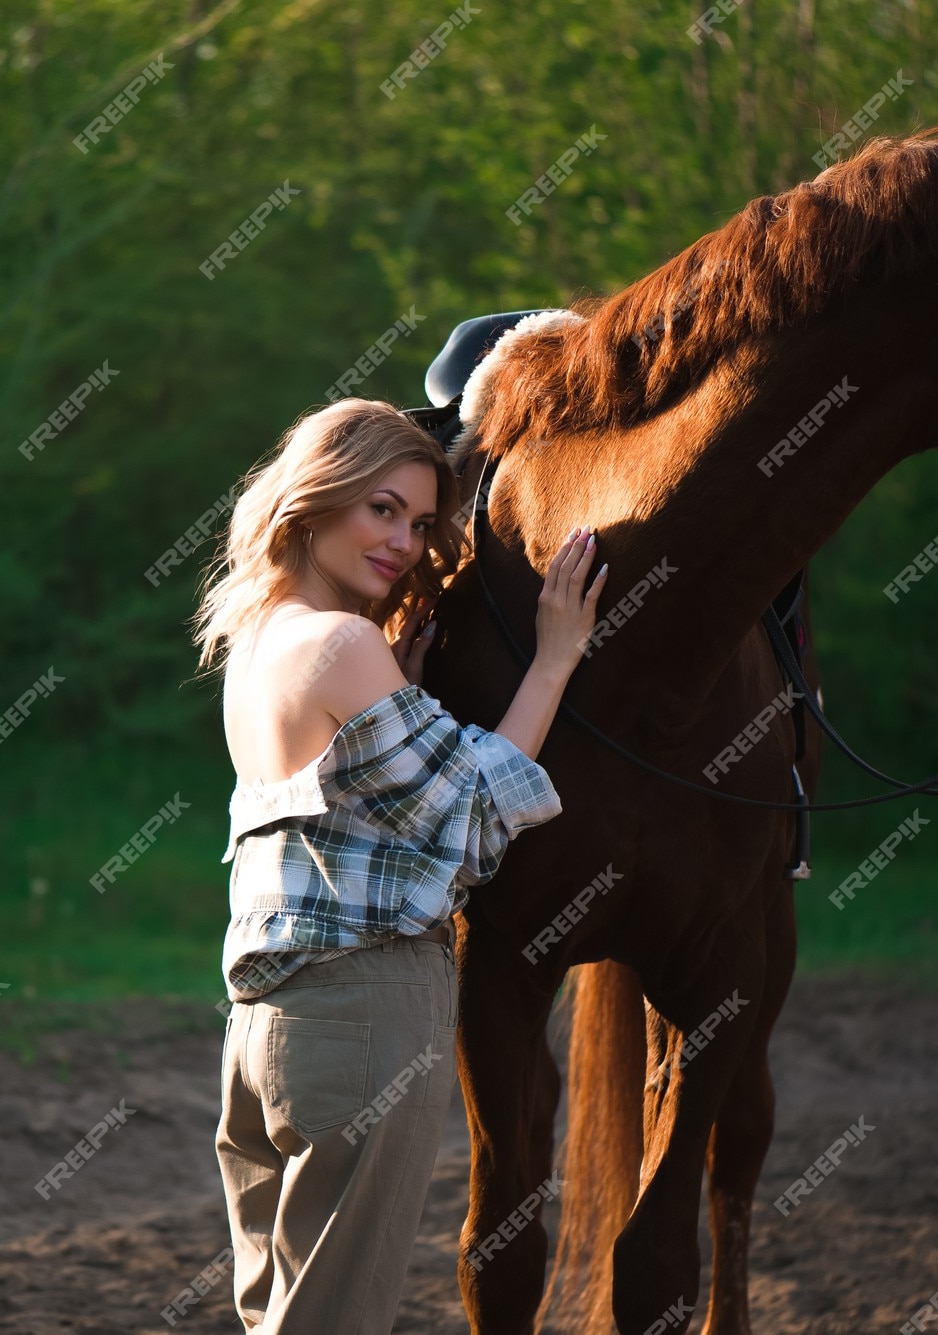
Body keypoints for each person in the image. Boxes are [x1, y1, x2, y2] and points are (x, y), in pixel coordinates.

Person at [188, 396, 605, 1333]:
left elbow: (340, 814)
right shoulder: (343, 645)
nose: (405, 543)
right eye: (381, 508)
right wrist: (554, 659)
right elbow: (471, 821)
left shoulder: (257, 643)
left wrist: (401, 696)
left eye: (420, 523)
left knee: (284, 1316)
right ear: (318, 493)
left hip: (262, 1031)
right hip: (362, 1015)